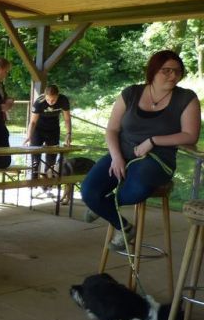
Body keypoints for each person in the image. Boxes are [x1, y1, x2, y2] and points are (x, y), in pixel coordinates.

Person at [81, 50, 200, 249]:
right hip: (122, 153)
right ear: (153, 71)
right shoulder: (131, 93)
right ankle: (124, 227)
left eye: (177, 71)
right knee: (88, 190)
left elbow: (190, 135)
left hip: (158, 158)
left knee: (136, 190)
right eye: (166, 70)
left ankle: (102, 205)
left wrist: (153, 140)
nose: (173, 75)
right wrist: (116, 157)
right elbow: (112, 130)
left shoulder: (186, 98)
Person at [24, 84, 72, 185]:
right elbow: (33, 122)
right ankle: (33, 181)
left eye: (53, 100)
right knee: (35, 156)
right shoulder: (39, 102)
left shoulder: (63, 100)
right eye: (48, 100)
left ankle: (47, 182)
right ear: (45, 96)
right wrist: (29, 136)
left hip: (53, 129)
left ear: (58, 96)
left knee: (51, 157)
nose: (50, 102)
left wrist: (68, 134)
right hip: (38, 129)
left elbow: (67, 119)